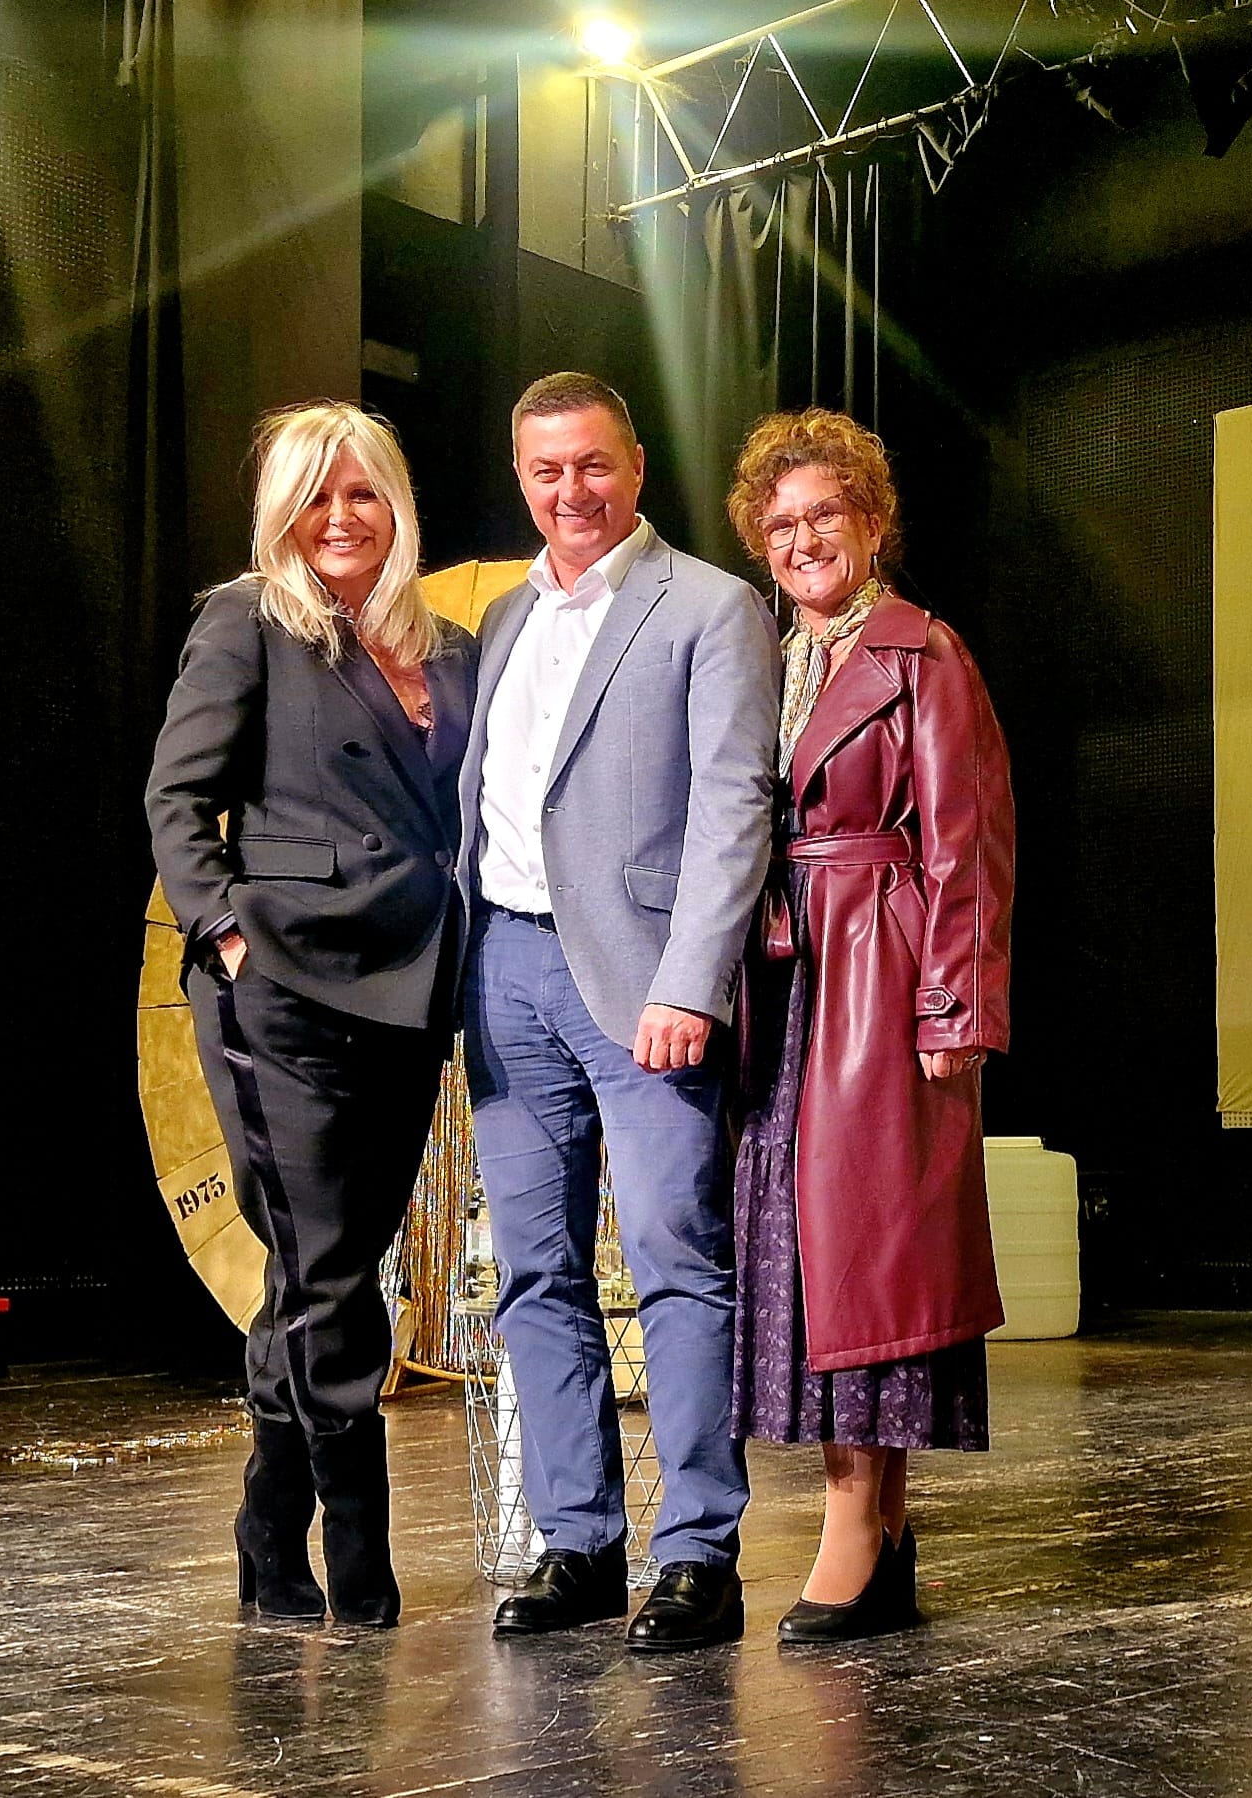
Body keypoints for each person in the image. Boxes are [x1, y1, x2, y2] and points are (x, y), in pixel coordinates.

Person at [460, 372, 780, 1651]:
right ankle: (577, 1543)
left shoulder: (707, 604)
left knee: (673, 1265)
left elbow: (735, 805)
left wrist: (691, 981)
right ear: (520, 477)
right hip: (502, 972)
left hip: (645, 984)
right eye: (546, 470)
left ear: (635, 466)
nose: (571, 491)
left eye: (592, 464)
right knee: (534, 1275)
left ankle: (699, 1552)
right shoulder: (500, 619)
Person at [145, 402, 477, 1629]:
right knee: (332, 1277)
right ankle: (360, 1561)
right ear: (280, 514)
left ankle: (265, 1537)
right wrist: (225, 933)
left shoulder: (451, 649)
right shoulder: (249, 621)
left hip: (409, 987)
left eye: (363, 492)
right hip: (279, 985)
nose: (340, 517)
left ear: (397, 506)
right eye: (315, 496)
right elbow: (177, 797)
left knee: (318, 1272)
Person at [725, 408, 1016, 1644]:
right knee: (808, 1256)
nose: (802, 541)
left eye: (823, 515)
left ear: (871, 520)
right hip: (785, 975)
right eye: (779, 524)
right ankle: (882, 1531)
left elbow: (968, 844)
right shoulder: (759, 656)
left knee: (868, 1258)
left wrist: (954, 1005)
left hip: (882, 976)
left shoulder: (920, 653)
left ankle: (852, 1528)